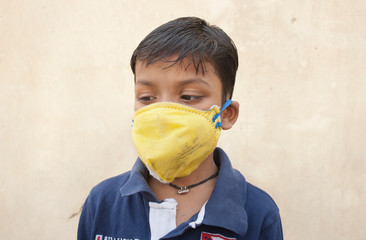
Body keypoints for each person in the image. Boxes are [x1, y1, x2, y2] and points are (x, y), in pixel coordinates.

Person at [78, 17, 283, 240]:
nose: (162, 114)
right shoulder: (102, 202)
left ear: (226, 114)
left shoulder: (258, 212)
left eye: (188, 97)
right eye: (146, 98)